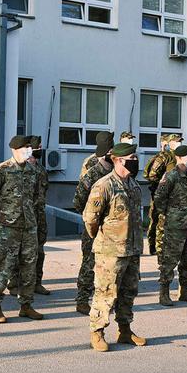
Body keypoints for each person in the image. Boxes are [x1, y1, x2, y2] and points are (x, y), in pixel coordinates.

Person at [83, 142, 146, 352]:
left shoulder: (134, 186)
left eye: (135, 158)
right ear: (119, 160)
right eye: (131, 158)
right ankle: (97, 332)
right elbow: (90, 218)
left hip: (132, 248)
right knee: (106, 292)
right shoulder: (104, 185)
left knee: (129, 291)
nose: (135, 161)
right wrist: (104, 240)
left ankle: (125, 330)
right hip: (110, 251)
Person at [0, 135, 44, 323]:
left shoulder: (33, 171)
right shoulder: (2, 170)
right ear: (14, 150)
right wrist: (4, 213)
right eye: (24, 147)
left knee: (28, 267)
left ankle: (26, 305)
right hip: (8, 228)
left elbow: (36, 196)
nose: (28, 150)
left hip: (29, 227)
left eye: (29, 147)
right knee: (2, 267)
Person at [152, 144, 187, 306]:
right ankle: (164, 292)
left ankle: (185, 290)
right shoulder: (170, 176)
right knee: (169, 260)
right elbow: (159, 198)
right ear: (179, 158)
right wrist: (168, 215)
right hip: (174, 226)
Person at [72, 133, 115, 315]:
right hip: (94, 227)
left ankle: (104, 299)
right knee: (89, 263)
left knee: (108, 265)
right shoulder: (93, 172)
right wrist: (91, 217)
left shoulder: (115, 171)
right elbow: (78, 201)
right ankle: (82, 299)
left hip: (111, 229)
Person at [146, 133, 182, 256]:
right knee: (157, 219)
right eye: (176, 141)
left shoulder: (178, 157)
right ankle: (154, 245)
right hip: (161, 194)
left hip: (174, 195)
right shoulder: (164, 157)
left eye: (180, 141)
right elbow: (152, 175)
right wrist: (161, 185)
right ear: (169, 143)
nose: (179, 143)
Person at [28, 136, 51, 295]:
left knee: (39, 250)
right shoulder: (23, 168)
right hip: (26, 216)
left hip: (40, 215)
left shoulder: (42, 170)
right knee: (22, 252)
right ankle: (16, 283)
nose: (41, 149)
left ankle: (37, 282)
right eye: (39, 147)